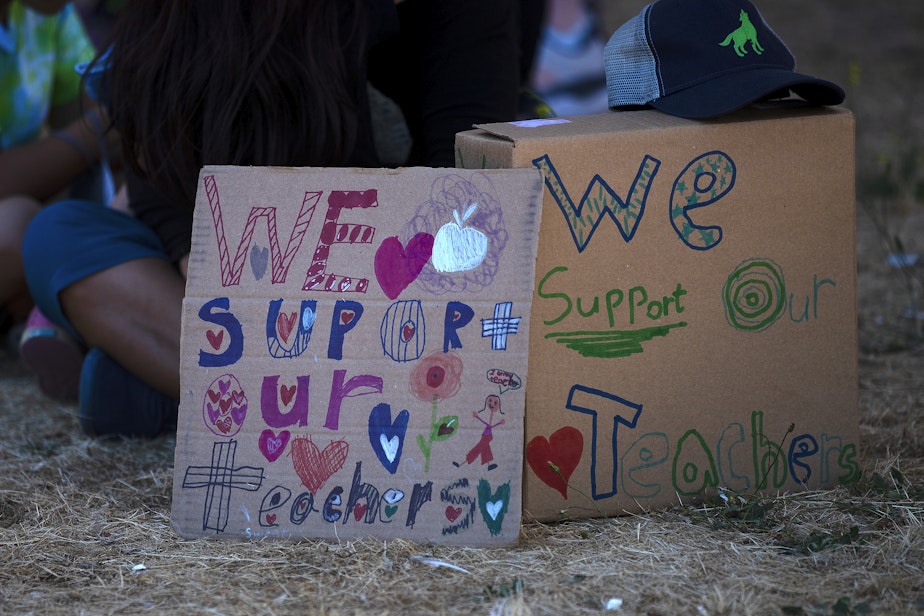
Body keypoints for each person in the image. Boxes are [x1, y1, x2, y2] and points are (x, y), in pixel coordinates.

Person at [22, 0, 536, 438]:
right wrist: (193, 256)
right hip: (241, 294)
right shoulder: (190, 21)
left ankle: (188, 390)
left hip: (387, 294)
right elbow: (157, 163)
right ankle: (325, 406)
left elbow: (467, 179)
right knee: (58, 235)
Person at [0, 0, 107, 400]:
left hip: (24, 200)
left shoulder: (48, 15)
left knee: (77, 217)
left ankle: (31, 313)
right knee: (23, 229)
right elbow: (94, 124)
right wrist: (91, 135)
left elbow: (85, 105)